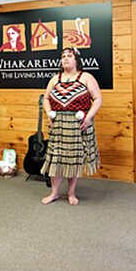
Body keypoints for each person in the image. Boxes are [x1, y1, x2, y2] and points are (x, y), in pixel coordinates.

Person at [40, 47, 102, 206]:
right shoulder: (55, 79)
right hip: (58, 124)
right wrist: (49, 114)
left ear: (76, 60)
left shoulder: (86, 77)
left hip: (78, 124)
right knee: (56, 158)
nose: (66, 58)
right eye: (63, 56)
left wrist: (88, 117)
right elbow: (46, 98)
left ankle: (71, 193)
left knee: (73, 159)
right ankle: (54, 193)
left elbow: (97, 99)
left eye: (69, 56)